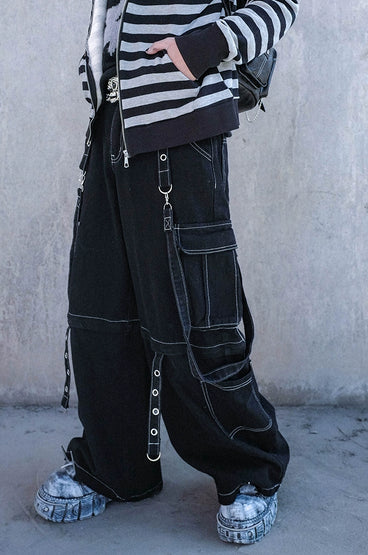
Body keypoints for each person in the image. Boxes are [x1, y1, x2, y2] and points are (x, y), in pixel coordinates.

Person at [34, 0, 299, 545]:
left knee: (193, 313)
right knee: (101, 310)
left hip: (181, 124)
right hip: (113, 126)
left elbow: (279, 4)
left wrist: (202, 48)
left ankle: (250, 467)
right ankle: (116, 465)